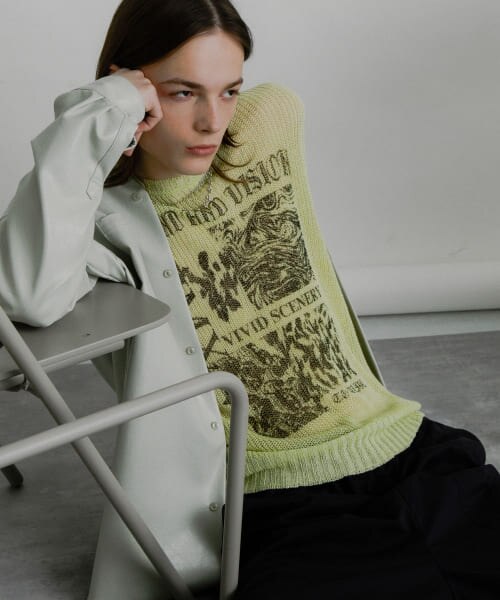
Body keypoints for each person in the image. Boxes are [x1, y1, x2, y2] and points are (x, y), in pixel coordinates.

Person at [1, 0, 499, 598]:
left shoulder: (267, 127)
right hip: (278, 499)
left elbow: (260, 100)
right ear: (129, 86)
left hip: (407, 449)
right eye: (183, 93)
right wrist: (106, 106)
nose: (212, 122)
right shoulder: (100, 225)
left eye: (229, 91)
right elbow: (26, 293)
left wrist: (192, 91)